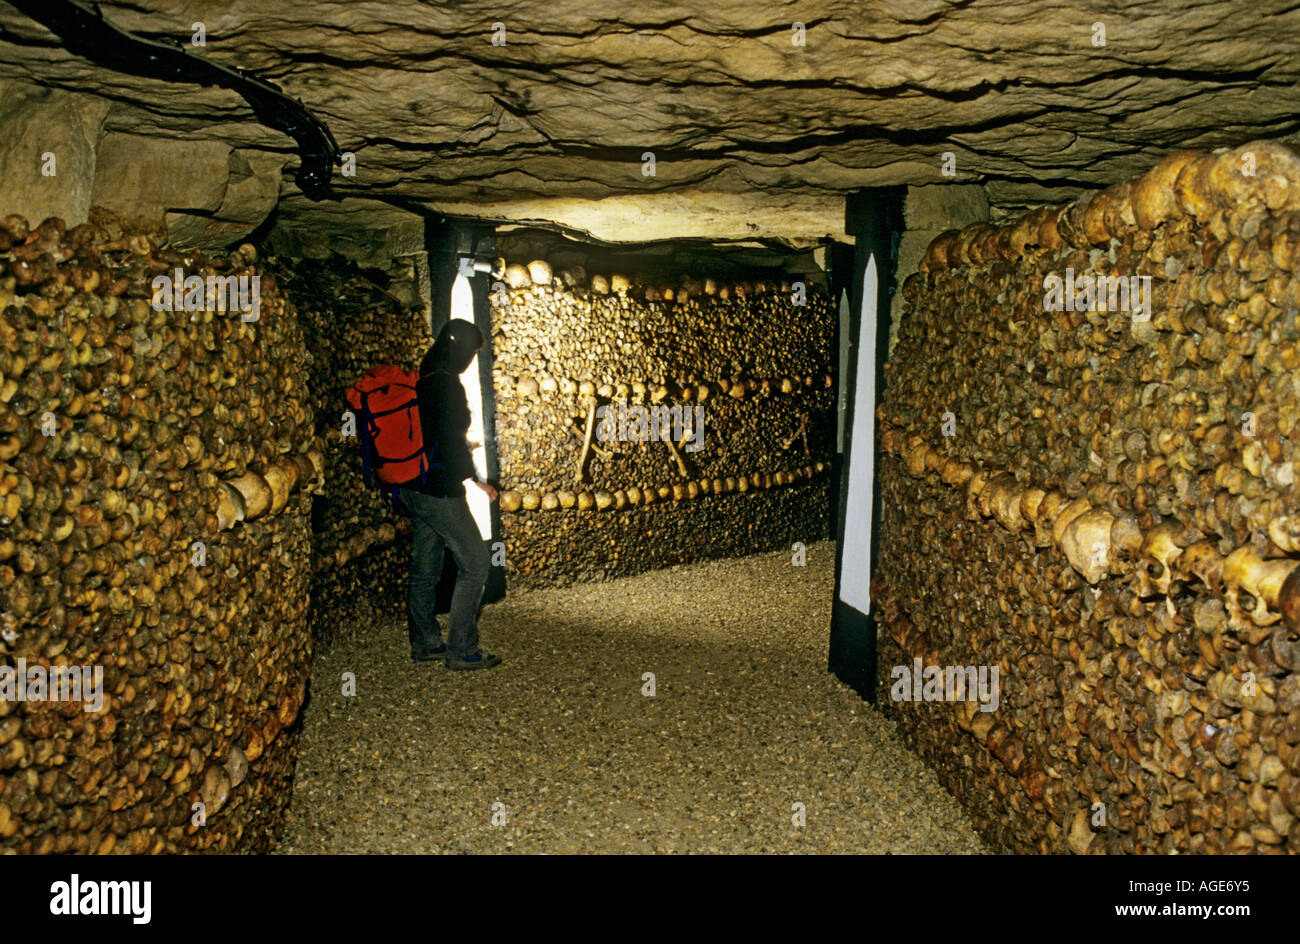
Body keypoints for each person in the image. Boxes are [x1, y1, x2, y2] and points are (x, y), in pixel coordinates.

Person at [396, 318, 501, 670]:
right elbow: (451, 440)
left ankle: (425, 643)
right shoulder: (445, 384)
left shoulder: (422, 377)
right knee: (475, 564)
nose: (471, 361)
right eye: (471, 353)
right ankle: (462, 649)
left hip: (411, 484)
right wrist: (475, 480)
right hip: (438, 489)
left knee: (424, 569)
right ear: (460, 350)